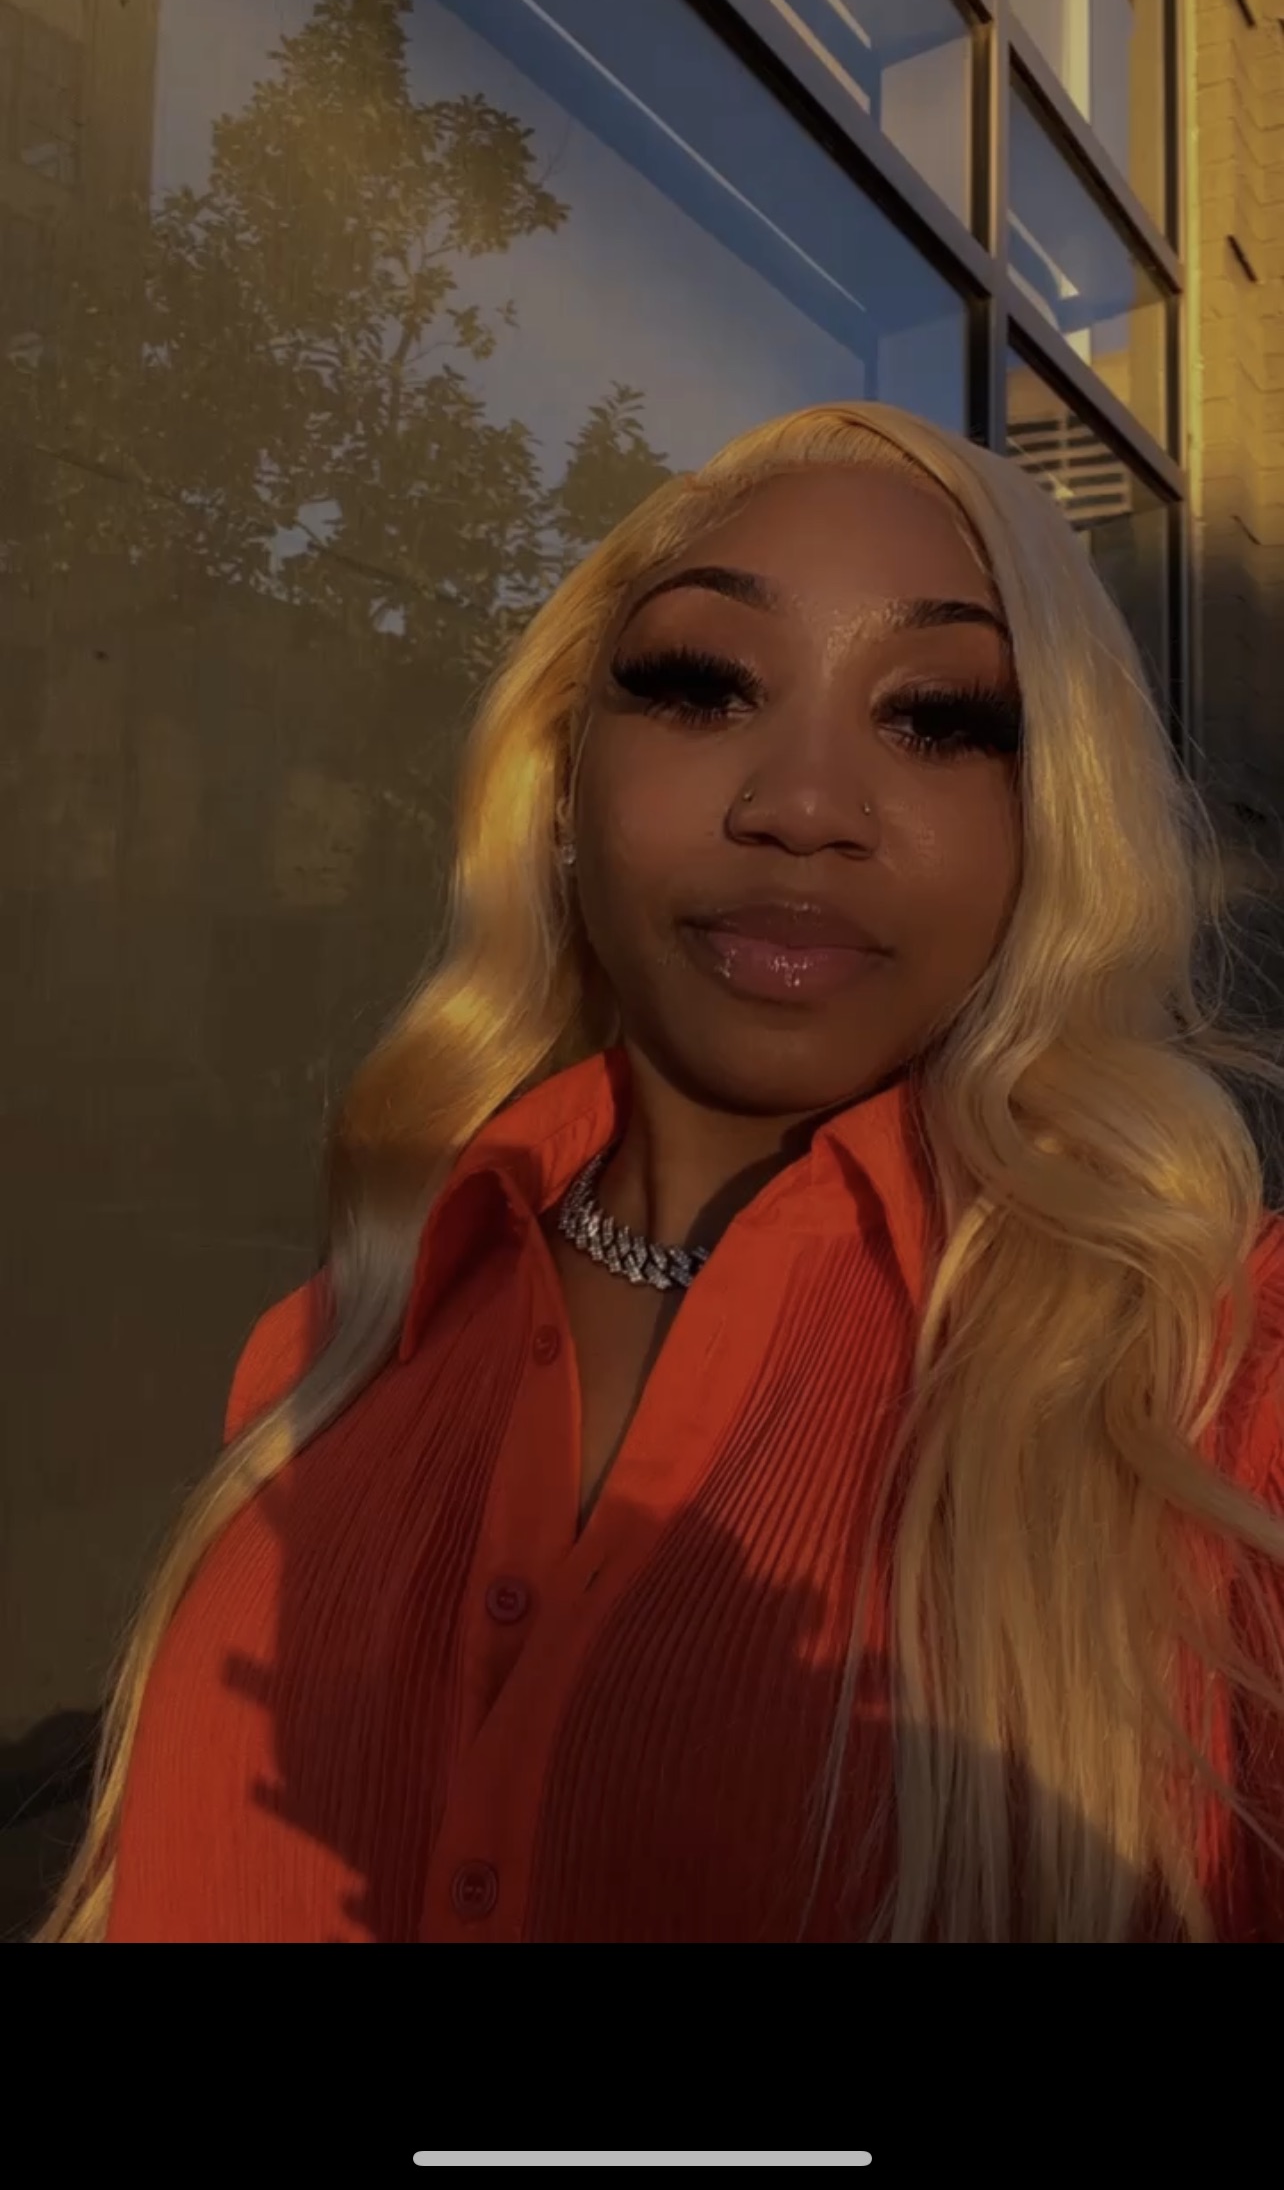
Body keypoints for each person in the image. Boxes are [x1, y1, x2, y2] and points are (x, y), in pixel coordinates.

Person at [39, 400, 1284, 1946]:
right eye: (702, 686)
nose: (801, 807)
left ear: (1053, 821)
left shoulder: (1220, 1397)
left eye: (940, 717)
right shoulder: (336, 1343)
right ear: (559, 780)